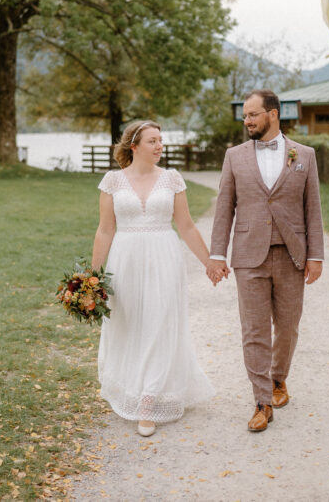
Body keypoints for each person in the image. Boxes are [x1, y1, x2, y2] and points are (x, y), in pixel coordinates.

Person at [91, 120, 219, 436]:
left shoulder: (172, 179)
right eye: (152, 141)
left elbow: (186, 226)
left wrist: (209, 262)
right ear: (134, 146)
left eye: (161, 141)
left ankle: (149, 399)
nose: (160, 146)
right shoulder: (113, 181)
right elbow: (105, 229)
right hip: (126, 260)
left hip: (164, 257)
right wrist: (92, 279)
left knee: (160, 323)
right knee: (130, 322)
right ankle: (132, 385)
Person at [207, 89, 324, 432]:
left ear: (273, 114)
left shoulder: (304, 155)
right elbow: (224, 207)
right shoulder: (234, 156)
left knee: (287, 326)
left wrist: (315, 255)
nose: (247, 121)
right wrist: (217, 254)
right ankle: (261, 402)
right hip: (248, 255)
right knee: (254, 330)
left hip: (292, 255)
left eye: (253, 115)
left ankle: (278, 378)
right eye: (245, 116)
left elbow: (312, 209)